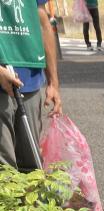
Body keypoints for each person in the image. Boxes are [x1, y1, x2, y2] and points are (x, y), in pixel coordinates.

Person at [0, 0, 62, 171]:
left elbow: (42, 21)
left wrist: (53, 82)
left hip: (30, 81)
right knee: (4, 171)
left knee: (32, 168)